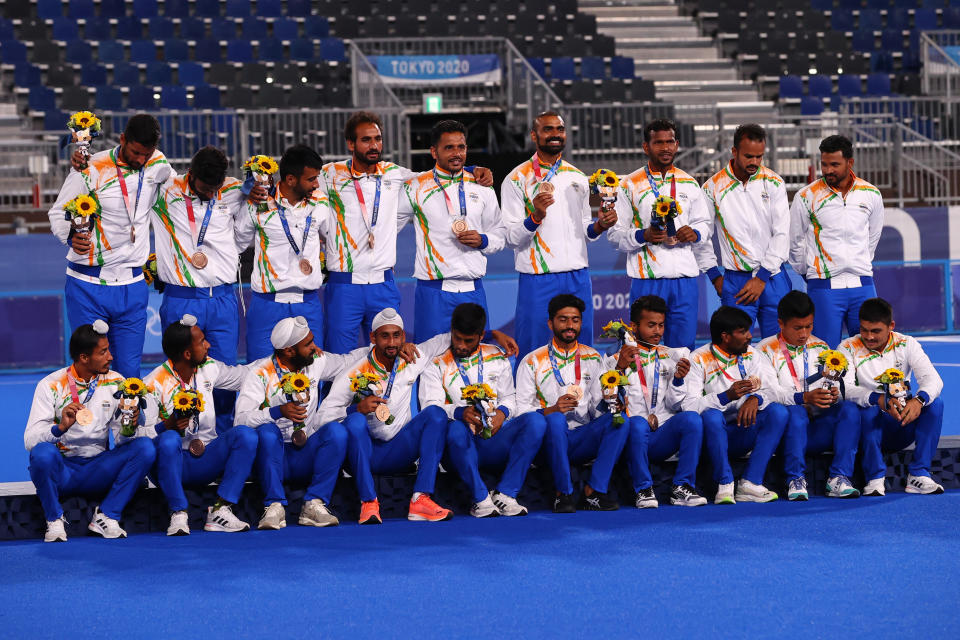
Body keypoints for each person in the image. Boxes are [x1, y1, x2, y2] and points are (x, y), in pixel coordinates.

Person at [321, 111, 494, 352]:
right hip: (343, 284)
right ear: (351, 143)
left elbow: (438, 177)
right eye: (366, 140)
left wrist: (473, 168)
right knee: (338, 358)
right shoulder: (329, 174)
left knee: (390, 358)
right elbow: (297, 184)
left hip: (383, 285)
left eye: (378, 139)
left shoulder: (395, 174)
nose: (374, 145)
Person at [48, 114, 172, 377]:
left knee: (129, 374)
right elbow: (58, 212)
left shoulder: (158, 163)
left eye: (146, 154)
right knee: (90, 372)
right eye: (136, 152)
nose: (140, 160)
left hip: (132, 286)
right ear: (123, 139)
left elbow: (179, 191)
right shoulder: (93, 166)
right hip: (88, 285)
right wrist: (71, 235)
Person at [152, 146, 261, 433]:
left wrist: (257, 192)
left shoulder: (235, 190)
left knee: (224, 377)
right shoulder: (165, 190)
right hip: (182, 299)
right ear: (191, 175)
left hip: (223, 299)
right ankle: (179, 440)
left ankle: (223, 441)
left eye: (215, 188)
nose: (211, 193)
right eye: (204, 188)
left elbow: (245, 231)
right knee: (180, 375)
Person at [235, 316, 381, 529]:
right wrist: (276, 412)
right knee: (267, 431)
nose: (315, 347)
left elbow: (346, 360)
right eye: (308, 344)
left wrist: (382, 345)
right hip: (273, 457)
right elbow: (240, 420)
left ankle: (314, 503)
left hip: (305, 453)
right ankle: (274, 505)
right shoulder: (259, 374)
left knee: (336, 432)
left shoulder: (315, 363)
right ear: (289, 351)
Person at [317, 308, 454, 524]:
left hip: (401, 451)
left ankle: (421, 499)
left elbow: (446, 339)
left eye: (396, 335)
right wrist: (355, 409)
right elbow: (321, 418)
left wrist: (493, 335)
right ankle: (368, 502)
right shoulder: (355, 371)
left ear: (404, 336)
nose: (391, 342)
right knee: (354, 421)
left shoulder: (413, 357)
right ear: (372, 338)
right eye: (384, 336)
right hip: (365, 455)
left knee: (435, 414)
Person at [24, 321, 156, 542]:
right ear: (84, 358)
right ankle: (54, 520)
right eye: (103, 352)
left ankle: (107, 515)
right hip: (64, 471)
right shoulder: (51, 385)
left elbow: (123, 440)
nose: (111, 357)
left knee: (144, 448)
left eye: (109, 350)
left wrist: (130, 425)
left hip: (99, 469)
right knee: (41, 454)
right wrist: (59, 428)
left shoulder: (116, 382)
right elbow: (30, 440)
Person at [502, 111, 617, 359]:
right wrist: (535, 217)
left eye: (560, 129)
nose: (555, 134)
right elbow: (511, 237)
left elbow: (586, 229)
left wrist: (600, 226)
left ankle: (584, 397)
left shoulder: (577, 177)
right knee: (533, 347)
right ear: (534, 135)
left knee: (581, 346)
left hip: (577, 275)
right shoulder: (516, 179)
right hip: (537, 278)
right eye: (548, 129)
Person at [420, 303, 543, 517]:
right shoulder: (436, 363)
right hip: (459, 446)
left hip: (494, 440)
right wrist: (460, 413)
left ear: (480, 336)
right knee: (455, 430)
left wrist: (502, 413)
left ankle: (505, 494)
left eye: (469, 341)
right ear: (451, 330)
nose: (461, 346)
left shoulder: (496, 355)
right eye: (457, 338)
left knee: (536, 422)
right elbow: (430, 406)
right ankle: (481, 500)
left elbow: (511, 397)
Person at [142, 315, 257, 535]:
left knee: (245, 436)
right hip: (173, 465)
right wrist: (166, 426)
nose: (209, 345)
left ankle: (221, 510)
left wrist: (277, 359)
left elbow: (245, 376)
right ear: (187, 353)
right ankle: (178, 513)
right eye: (202, 341)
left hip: (206, 459)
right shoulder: (152, 383)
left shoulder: (208, 368)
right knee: (168, 439)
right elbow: (140, 438)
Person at [515, 294, 630, 512]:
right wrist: (552, 410)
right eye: (563, 320)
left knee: (619, 421)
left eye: (575, 320)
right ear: (550, 323)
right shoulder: (532, 361)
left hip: (582, 436)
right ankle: (563, 493)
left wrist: (611, 402)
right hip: (548, 441)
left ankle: (594, 491)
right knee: (556, 421)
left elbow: (597, 408)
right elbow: (520, 413)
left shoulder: (593, 357)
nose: (570, 326)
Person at [397, 120, 506, 342]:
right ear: (433, 151)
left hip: (473, 290)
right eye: (449, 148)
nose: (457, 153)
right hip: (433, 292)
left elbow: (501, 234)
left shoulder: (482, 186)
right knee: (429, 362)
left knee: (474, 363)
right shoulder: (416, 186)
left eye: (461, 147)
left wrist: (483, 240)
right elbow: (388, 228)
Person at [609, 119, 711, 350]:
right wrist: (643, 235)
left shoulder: (689, 183)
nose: (665, 148)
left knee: (683, 350)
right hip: (647, 279)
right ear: (646, 147)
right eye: (658, 143)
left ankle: (679, 387)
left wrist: (693, 233)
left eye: (670, 142)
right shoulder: (629, 185)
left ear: (677, 145)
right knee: (643, 349)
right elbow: (615, 236)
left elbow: (705, 225)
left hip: (685, 280)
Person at [675, 306, 787, 504]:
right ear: (725, 337)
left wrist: (756, 399)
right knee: (711, 416)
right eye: (743, 332)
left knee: (778, 412)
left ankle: (750, 483)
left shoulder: (752, 354)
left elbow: (774, 391)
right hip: (713, 438)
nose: (749, 336)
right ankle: (724, 483)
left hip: (744, 430)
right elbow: (689, 407)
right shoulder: (698, 359)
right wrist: (725, 396)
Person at [756, 291, 861, 501]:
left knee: (849, 409)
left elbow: (837, 384)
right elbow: (769, 393)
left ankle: (839, 477)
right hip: (788, 433)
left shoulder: (821, 347)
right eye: (797, 328)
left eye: (809, 326)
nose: (804, 334)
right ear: (781, 323)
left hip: (819, 426)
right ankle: (795, 478)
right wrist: (804, 397)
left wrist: (833, 393)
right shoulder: (763, 350)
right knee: (795, 412)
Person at [838, 297, 944, 496]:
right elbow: (845, 389)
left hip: (901, 422)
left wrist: (918, 400)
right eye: (864, 330)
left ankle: (919, 474)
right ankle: (874, 478)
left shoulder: (907, 343)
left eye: (875, 331)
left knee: (935, 404)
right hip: (869, 427)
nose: (868, 337)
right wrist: (877, 399)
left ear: (891, 326)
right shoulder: (847, 347)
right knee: (867, 410)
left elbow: (934, 380)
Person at [609, 296, 707, 508]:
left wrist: (679, 380)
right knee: (635, 423)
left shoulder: (671, 356)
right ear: (633, 326)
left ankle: (682, 486)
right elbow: (610, 405)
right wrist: (619, 368)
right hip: (633, 436)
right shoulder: (617, 358)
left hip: (663, 434)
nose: (658, 331)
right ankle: (643, 489)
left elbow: (674, 404)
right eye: (651, 325)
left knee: (691, 419)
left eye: (661, 325)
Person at [789, 134, 884, 347]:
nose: (828, 170)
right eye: (824, 164)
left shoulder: (871, 194)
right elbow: (794, 242)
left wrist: (860, 265)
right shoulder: (806, 196)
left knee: (869, 352)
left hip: (863, 285)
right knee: (825, 354)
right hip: (823, 287)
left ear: (850, 163)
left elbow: (873, 237)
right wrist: (810, 273)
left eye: (834, 164)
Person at [237, 144, 328, 361]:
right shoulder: (258, 204)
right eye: (311, 179)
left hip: (308, 303)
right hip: (267, 304)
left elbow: (332, 239)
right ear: (290, 179)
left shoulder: (321, 201)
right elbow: (237, 244)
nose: (316, 184)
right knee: (260, 372)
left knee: (312, 372)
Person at [701, 124, 792, 338]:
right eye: (748, 156)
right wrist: (715, 277)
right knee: (734, 349)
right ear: (734, 152)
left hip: (773, 278)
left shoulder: (774, 182)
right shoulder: (712, 187)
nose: (754, 162)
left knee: (780, 349)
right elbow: (701, 235)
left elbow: (782, 234)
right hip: (735, 281)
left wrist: (761, 277)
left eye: (759, 157)